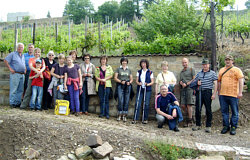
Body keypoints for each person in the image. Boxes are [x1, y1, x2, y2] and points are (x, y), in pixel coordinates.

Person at [218, 55, 244, 135]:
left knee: (234, 112)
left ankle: (233, 127)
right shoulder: (221, 70)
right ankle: (226, 126)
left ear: (232, 61)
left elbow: (241, 80)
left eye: (229, 60)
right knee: (224, 112)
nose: (227, 61)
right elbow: (219, 81)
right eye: (226, 60)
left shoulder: (237, 70)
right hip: (223, 94)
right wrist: (219, 91)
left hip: (233, 95)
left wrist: (240, 92)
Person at [191, 59, 218, 133]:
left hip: (208, 92)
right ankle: (198, 125)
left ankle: (208, 126)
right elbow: (193, 83)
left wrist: (214, 94)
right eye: (203, 65)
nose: (205, 66)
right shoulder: (199, 73)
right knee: (198, 109)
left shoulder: (213, 73)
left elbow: (216, 84)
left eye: (206, 64)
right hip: (199, 92)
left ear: (209, 65)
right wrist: (197, 83)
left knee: (208, 109)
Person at [132, 59, 154, 124]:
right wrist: (139, 83)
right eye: (142, 63)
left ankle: (145, 118)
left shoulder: (150, 72)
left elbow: (152, 81)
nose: (143, 65)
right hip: (140, 89)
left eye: (144, 63)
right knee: (138, 103)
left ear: (147, 64)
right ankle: (135, 118)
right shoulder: (139, 72)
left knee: (146, 104)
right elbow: (136, 81)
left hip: (147, 90)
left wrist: (148, 84)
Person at [4, 43, 26, 108]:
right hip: (15, 73)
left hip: (22, 75)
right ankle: (12, 103)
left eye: (21, 47)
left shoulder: (23, 55)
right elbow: (5, 60)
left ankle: (18, 103)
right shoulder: (13, 54)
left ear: (23, 48)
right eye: (19, 47)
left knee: (20, 90)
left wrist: (25, 69)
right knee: (14, 89)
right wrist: (10, 68)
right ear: (17, 48)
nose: (20, 48)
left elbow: (23, 63)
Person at [114, 57, 133, 122]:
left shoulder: (129, 70)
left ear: (127, 62)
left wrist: (129, 82)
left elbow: (131, 79)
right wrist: (120, 81)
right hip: (120, 85)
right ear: (121, 62)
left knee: (126, 101)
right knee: (120, 100)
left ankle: (124, 115)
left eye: (125, 61)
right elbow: (115, 78)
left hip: (127, 86)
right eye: (123, 61)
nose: (124, 62)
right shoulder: (118, 69)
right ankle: (119, 114)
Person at [179, 58, 195, 127]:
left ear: (188, 62)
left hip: (189, 89)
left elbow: (194, 79)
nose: (184, 64)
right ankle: (188, 117)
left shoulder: (191, 69)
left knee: (189, 105)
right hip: (183, 89)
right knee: (182, 105)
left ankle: (190, 120)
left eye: (185, 62)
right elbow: (180, 80)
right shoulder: (181, 72)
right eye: (183, 62)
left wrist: (187, 83)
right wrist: (181, 83)